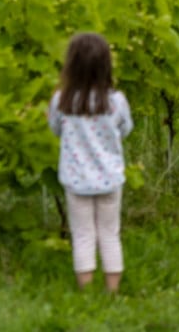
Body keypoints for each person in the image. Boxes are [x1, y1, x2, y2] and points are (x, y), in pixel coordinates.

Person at [48, 32, 133, 293]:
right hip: (110, 179)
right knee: (110, 234)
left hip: (76, 181)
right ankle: (112, 290)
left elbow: (55, 129)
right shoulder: (116, 101)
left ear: (70, 66)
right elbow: (126, 129)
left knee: (83, 235)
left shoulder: (61, 101)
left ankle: (86, 292)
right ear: (106, 65)